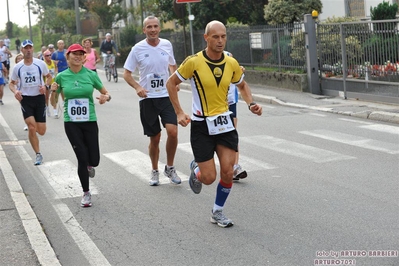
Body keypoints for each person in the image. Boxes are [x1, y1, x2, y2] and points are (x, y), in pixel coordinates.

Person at [166, 20, 262, 228]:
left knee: (228, 171)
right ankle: (197, 170)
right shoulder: (194, 62)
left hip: (225, 123)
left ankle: (217, 211)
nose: (220, 41)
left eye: (223, 36)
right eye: (216, 37)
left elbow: (242, 84)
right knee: (209, 178)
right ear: (206, 37)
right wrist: (180, 112)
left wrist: (251, 103)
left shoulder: (231, 62)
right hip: (201, 125)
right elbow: (171, 83)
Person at [50, 43, 111, 207]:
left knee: (95, 159)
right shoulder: (61, 76)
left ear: (84, 57)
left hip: (90, 121)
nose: (77, 56)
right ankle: (86, 193)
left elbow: (106, 92)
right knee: (81, 157)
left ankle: (90, 165)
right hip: (71, 123)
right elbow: (53, 102)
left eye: (80, 54)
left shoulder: (90, 74)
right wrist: (53, 91)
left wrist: (106, 97)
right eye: (74, 54)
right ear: (67, 57)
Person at [123, 16, 181, 186]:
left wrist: (174, 81)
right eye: (149, 27)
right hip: (148, 98)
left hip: (165, 96)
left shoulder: (166, 45)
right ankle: (155, 170)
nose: (153, 29)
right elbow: (127, 73)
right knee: (154, 138)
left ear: (159, 28)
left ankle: (170, 167)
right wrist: (137, 87)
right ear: (144, 30)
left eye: (155, 26)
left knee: (173, 132)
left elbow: (173, 65)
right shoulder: (137, 49)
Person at [9, 40, 52, 165]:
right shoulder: (18, 67)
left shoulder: (40, 64)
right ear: (22, 50)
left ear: (33, 49)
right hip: (26, 100)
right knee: (32, 127)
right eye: (25, 48)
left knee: (41, 131)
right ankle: (38, 154)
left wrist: (45, 86)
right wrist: (15, 91)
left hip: (39, 98)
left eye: (30, 48)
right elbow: (11, 84)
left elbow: (48, 77)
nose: (28, 50)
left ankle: (37, 142)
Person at [224, 51, 247, 181]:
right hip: (213, 106)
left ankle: (234, 167)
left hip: (230, 103)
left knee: (232, 135)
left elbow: (242, 84)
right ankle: (199, 163)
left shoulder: (230, 57)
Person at [14, 53, 28, 130]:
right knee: (24, 108)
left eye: (21, 58)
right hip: (21, 92)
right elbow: (12, 83)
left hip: (30, 92)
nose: (19, 60)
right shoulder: (16, 69)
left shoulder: (28, 67)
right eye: (18, 59)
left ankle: (33, 122)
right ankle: (27, 123)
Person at [43, 49, 58, 117]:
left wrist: (56, 74)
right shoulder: (43, 64)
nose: (49, 56)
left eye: (50, 55)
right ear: (44, 57)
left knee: (54, 97)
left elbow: (56, 69)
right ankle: (47, 109)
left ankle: (55, 111)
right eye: (47, 55)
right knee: (46, 97)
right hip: (46, 83)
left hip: (53, 82)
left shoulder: (53, 62)